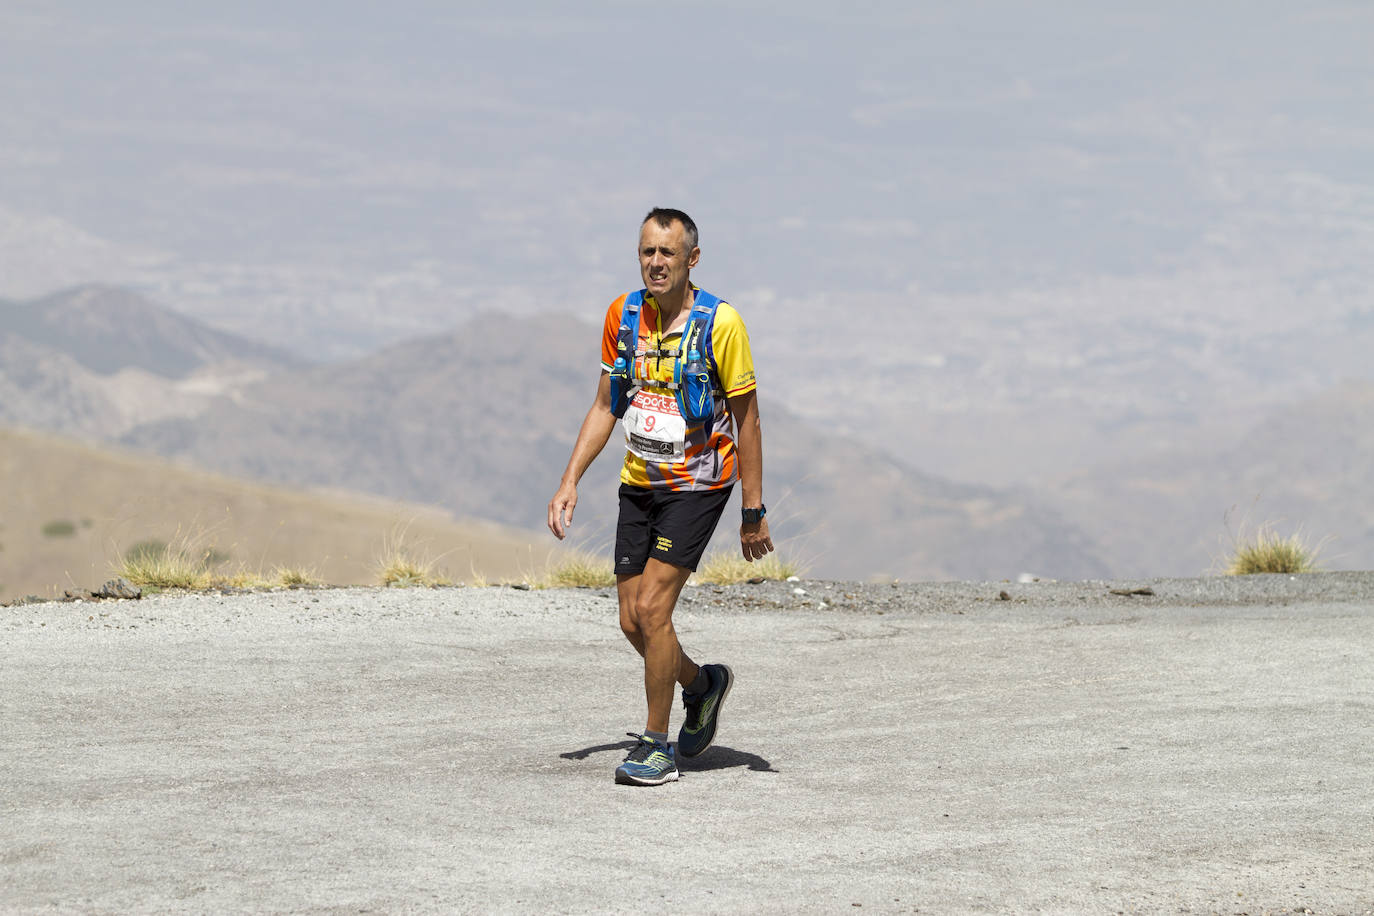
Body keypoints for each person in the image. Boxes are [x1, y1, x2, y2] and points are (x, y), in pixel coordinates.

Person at [548, 207, 773, 787]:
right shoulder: (623, 316)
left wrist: (752, 511)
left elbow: (747, 419)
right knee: (632, 621)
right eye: (647, 251)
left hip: (698, 484)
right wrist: (570, 480)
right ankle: (702, 685)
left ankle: (656, 746)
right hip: (640, 481)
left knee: (653, 610)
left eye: (667, 252)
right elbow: (606, 404)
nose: (655, 262)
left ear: (691, 259)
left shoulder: (721, 323)